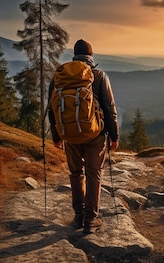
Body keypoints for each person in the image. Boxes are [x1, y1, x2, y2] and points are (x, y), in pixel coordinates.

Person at [48, 39, 120, 234]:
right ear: (91, 56)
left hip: (70, 134)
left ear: (74, 54)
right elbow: (110, 108)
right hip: (95, 135)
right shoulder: (98, 75)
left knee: (75, 174)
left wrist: (57, 137)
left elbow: (52, 110)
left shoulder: (60, 76)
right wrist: (114, 136)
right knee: (93, 175)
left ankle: (78, 216)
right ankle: (91, 220)